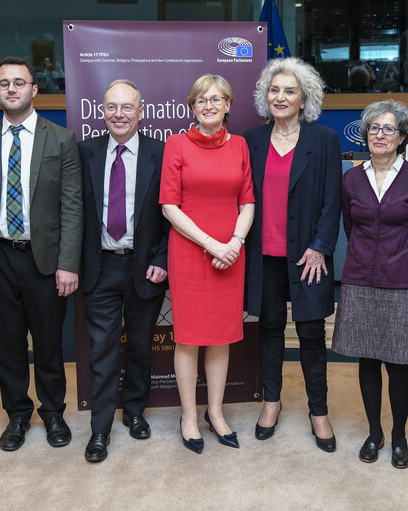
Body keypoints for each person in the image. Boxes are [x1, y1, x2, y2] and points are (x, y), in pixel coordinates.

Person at [0, 56, 83, 452]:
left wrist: (69, 263)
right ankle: (17, 414)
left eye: (19, 83)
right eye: (3, 83)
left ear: (35, 90)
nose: (11, 89)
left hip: (45, 260)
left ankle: (52, 412)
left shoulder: (61, 139)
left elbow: (72, 206)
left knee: (49, 344)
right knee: (7, 345)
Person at [332, 100, 408, 469]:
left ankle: (398, 437)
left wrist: (406, 261)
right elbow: (350, 225)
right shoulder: (351, 178)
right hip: (360, 279)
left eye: (388, 129)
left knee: (398, 364)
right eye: (374, 128)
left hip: (403, 282)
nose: (380, 135)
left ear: (403, 137)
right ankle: (374, 432)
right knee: (367, 358)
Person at [243, 57, 342, 452]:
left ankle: (319, 412)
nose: (280, 97)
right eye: (274, 90)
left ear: (304, 99)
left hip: (307, 257)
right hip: (262, 255)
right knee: (268, 332)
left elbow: (333, 200)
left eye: (290, 91)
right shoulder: (251, 140)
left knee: (311, 334)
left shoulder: (324, 140)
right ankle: (271, 402)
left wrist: (320, 246)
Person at [160, 74, 255, 453]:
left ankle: (215, 413)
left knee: (221, 335)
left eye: (217, 99)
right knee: (188, 336)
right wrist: (212, 244)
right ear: (193, 106)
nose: (210, 106)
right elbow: (169, 206)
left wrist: (233, 242)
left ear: (229, 104)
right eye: (202, 100)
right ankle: (188, 415)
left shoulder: (242, 146)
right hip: (190, 251)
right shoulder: (176, 144)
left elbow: (247, 202)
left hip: (231, 252)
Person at [77, 79, 169, 462]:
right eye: (111, 107)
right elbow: (73, 213)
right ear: (102, 112)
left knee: (141, 347)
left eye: (126, 107)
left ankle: (134, 411)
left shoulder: (161, 154)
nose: (118, 114)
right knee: (101, 351)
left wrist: (162, 260)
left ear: (141, 112)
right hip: (99, 267)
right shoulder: (84, 153)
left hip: (144, 267)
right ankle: (100, 429)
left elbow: (173, 215)